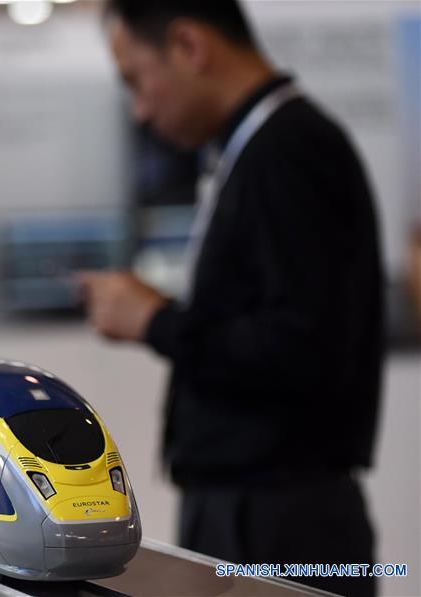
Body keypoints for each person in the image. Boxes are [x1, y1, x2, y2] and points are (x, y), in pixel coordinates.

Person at [79, 2, 383, 596]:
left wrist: (157, 321)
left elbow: (301, 349)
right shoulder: (263, 147)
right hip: (259, 510)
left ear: (189, 46)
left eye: (137, 80)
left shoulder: (288, 148)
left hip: (278, 521)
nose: (140, 111)